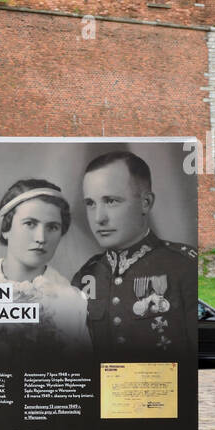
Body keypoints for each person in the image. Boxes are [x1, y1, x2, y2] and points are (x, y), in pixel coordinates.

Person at [71, 150, 196, 354]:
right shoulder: (86, 275)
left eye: (111, 201)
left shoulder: (184, 266)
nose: (98, 218)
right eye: (90, 204)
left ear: (145, 203)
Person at [0, 179, 89, 351]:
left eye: (52, 227)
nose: (41, 238)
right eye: (30, 224)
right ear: (5, 228)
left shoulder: (72, 301)